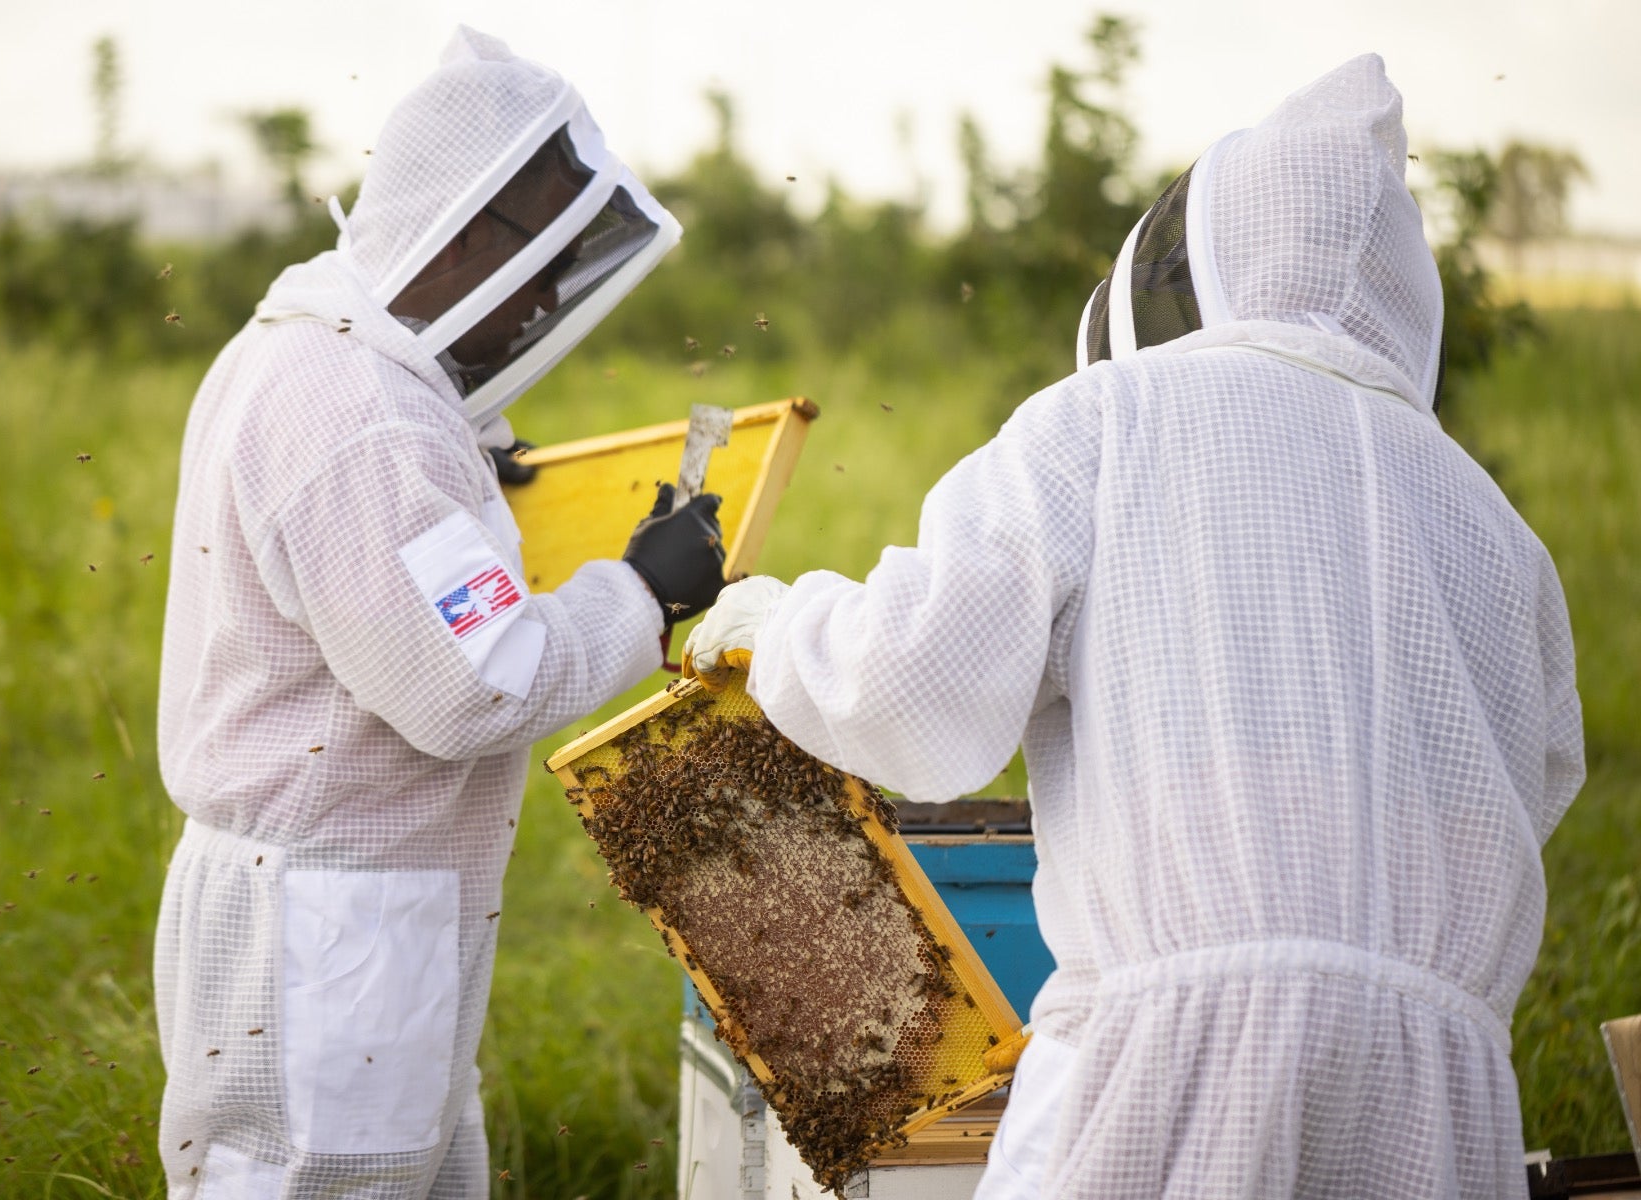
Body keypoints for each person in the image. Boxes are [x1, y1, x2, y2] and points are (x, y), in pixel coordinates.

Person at [685, 54, 1582, 1199]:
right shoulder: (1499, 528)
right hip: (1436, 1092)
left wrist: (785, 624)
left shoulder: (1111, 418)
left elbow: (912, 686)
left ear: (1192, 265)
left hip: (1170, 1066)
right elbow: (1529, 786)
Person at [153, 27, 726, 1198]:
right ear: (467, 228)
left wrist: (484, 481)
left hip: (331, 907)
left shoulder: (308, 350)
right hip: (333, 928)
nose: (547, 303)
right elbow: (477, 687)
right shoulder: (365, 417)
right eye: (546, 253)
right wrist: (644, 590)